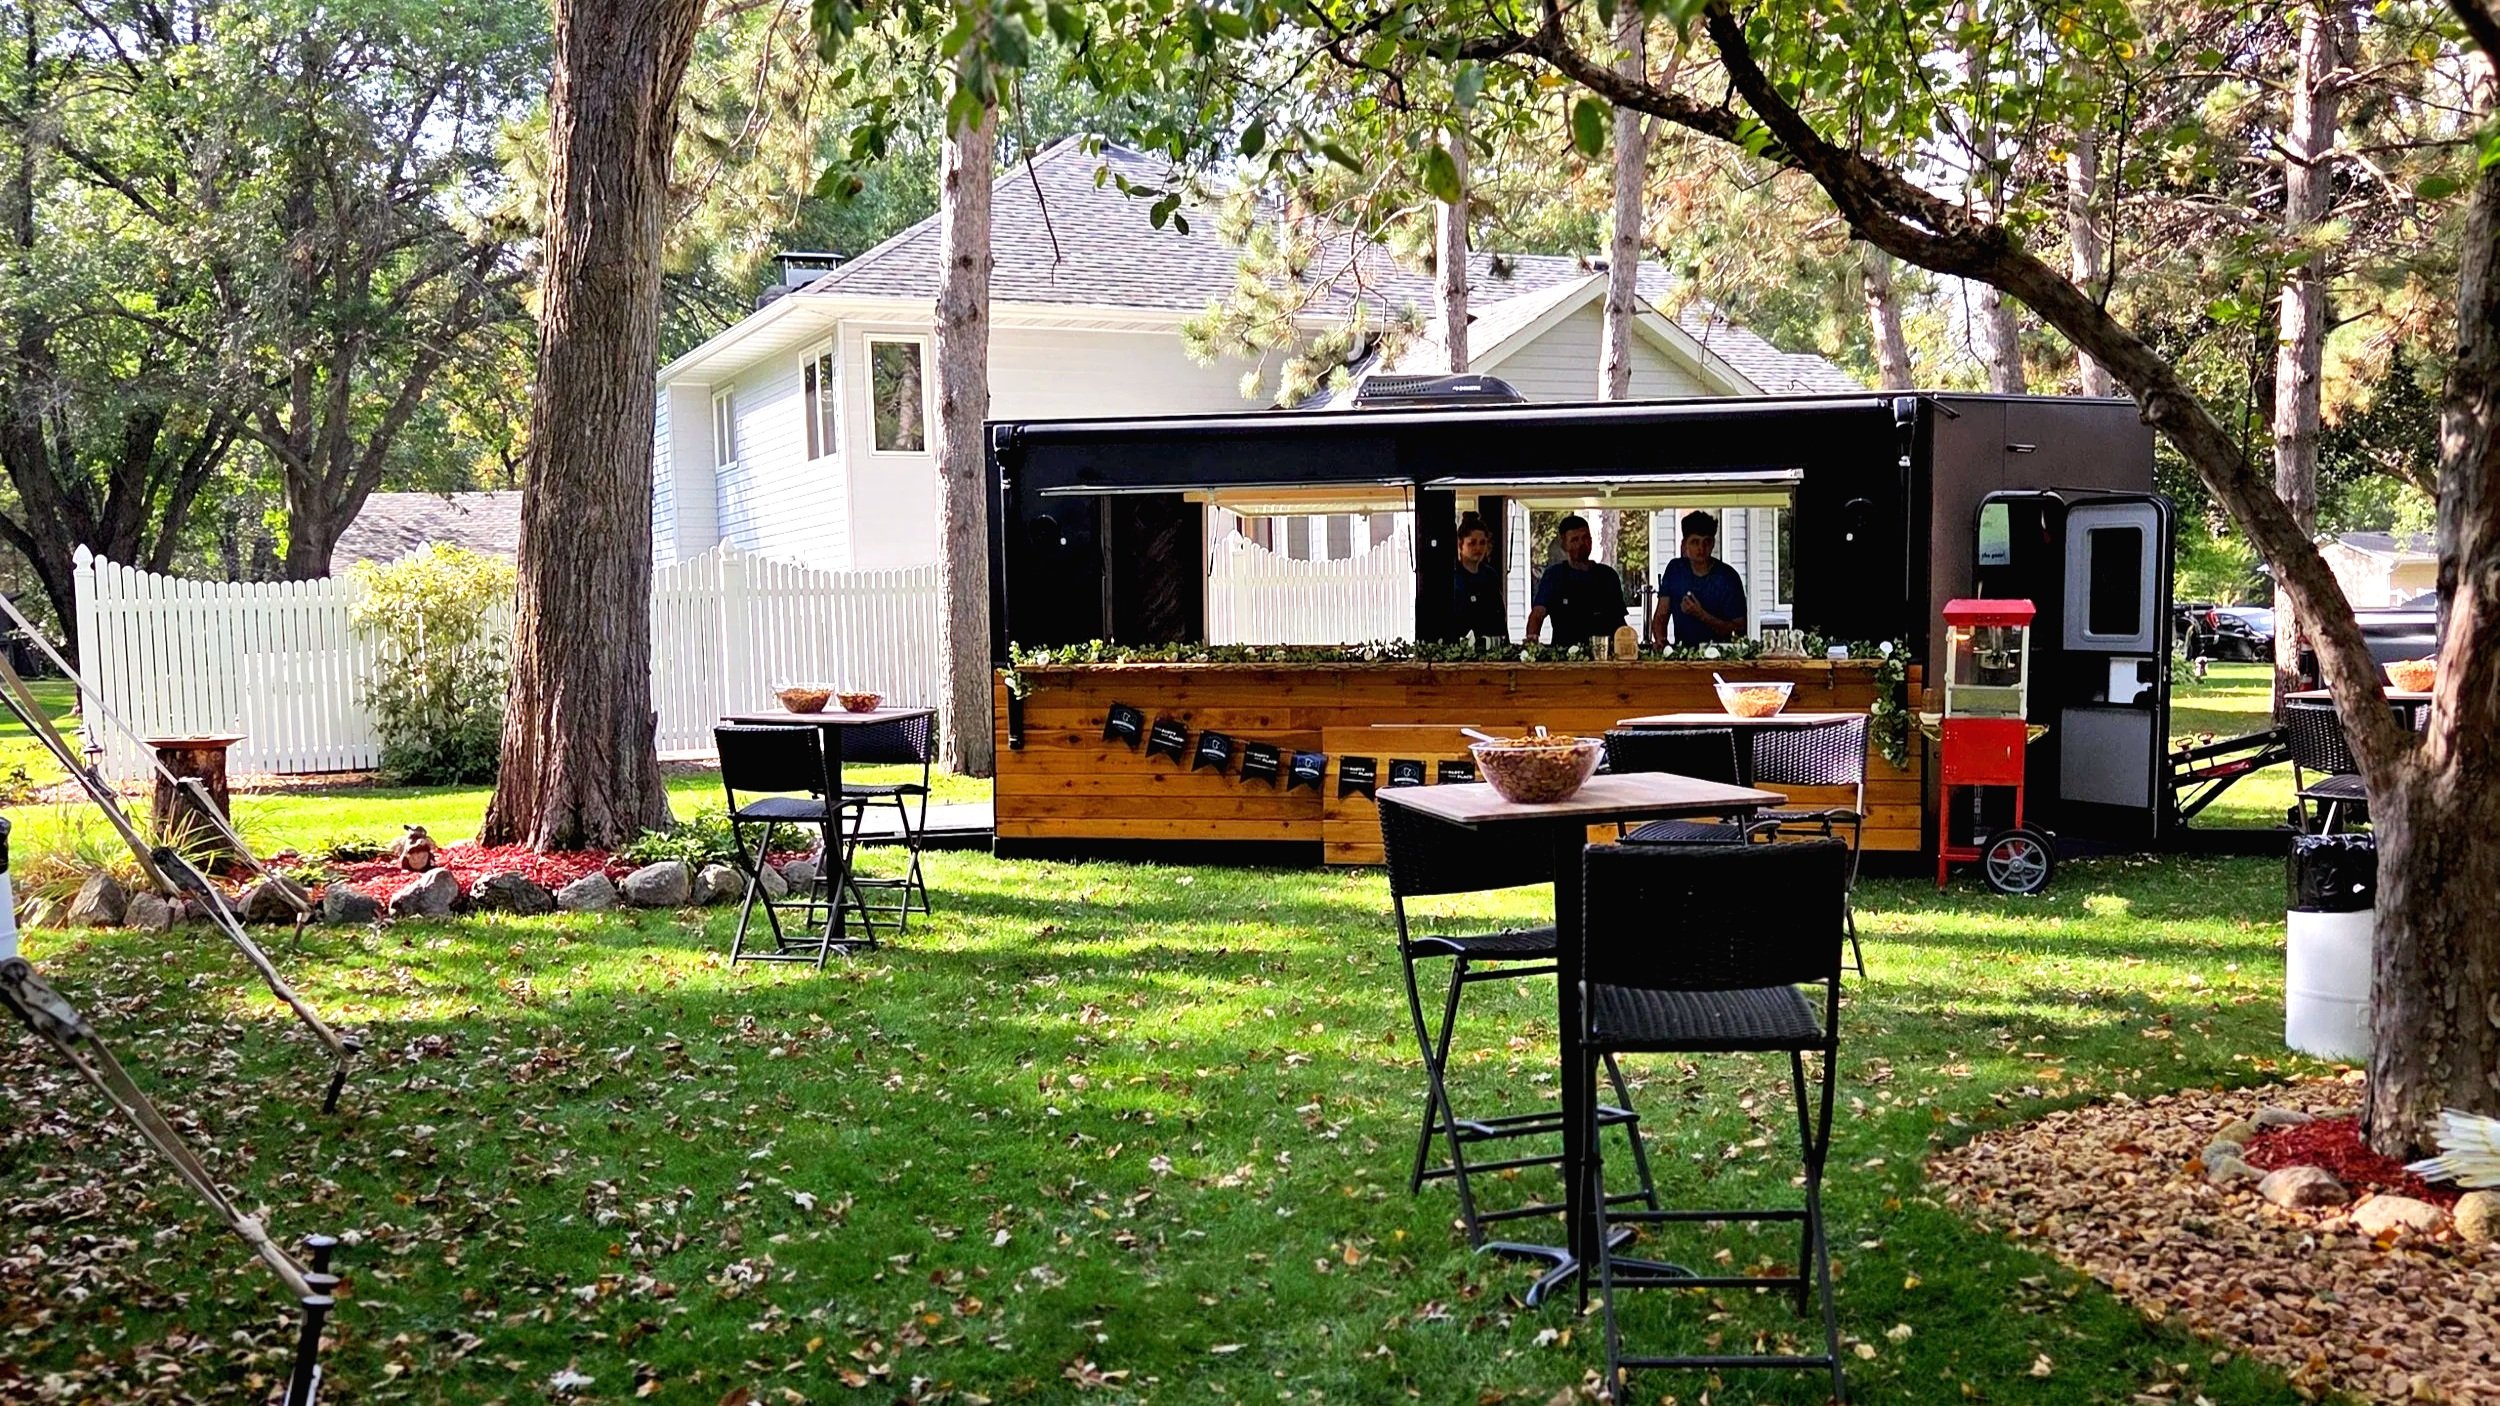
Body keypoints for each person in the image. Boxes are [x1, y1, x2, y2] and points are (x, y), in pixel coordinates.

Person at [1522, 513, 1627, 647]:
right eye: (1574, 539)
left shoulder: (1607, 576)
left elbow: (1619, 620)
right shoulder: (1554, 576)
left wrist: (1628, 642)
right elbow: (1537, 614)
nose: (1581, 544)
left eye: (1585, 538)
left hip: (1603, 656)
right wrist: (1532, 641)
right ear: (1564, 544)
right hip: (1565, 658)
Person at [1649, 510, 1747, 648]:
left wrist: (1701, 615)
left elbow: (1739, 629)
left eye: (1706, 541)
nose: (1701, 548)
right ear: (1684, 545)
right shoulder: (1675, 570)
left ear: (1713, 544)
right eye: (1695, 542)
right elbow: (1661, 615)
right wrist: (1661, 640)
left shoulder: (1728, 577)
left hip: (1722, 657)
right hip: (1684, 656)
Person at [1449, 512, 1507, 642]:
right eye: (1472, 543)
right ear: (1460, 545)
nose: (1478, 548)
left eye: (1482, 543)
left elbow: (1499, 615)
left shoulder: (1490, 576)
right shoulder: (1453, 578)